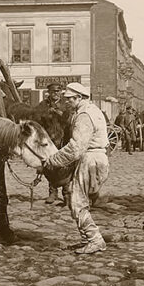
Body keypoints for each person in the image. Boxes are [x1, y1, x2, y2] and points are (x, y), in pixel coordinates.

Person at [42, 82, 109, 254]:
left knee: (77, 203)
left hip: (90, 160)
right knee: (78, 201)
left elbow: (76, 147)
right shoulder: (92, 110)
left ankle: (95, 240)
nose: (66, 102)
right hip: (96, 158)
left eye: (70, 99)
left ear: (79, 97)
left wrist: (53, 160)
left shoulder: (84, 115)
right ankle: (88, 239)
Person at [37, 83, 66, 204]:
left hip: (63, 139)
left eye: (58, 91)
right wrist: (47, 113)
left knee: (65, 166)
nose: (55, 94)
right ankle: (52, 192)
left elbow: (70, 119)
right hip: (48, 140)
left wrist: (61, 114)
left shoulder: (65, 104)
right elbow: (37, 118)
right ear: (49, 92)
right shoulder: (43, 104)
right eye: (53, 92)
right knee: (49, 166)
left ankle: (67, 193)